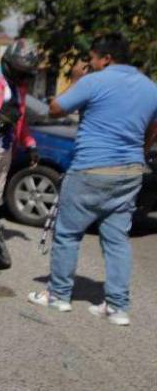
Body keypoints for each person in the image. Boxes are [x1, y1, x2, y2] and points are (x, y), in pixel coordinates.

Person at [28, 34, 157, 325]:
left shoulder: (93, 82)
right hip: (129, 173)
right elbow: (154, 127)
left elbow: (55, 109)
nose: (91, 64)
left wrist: (75, 79)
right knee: (117, 240)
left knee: (68, 234)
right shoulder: (151, 88)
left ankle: (58, 295)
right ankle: (117, 307)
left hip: (90, 168)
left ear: (106, 59)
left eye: (93, 59)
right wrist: (140, 152)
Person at [0, 39, 41, 212]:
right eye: (19, 70)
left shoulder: (18, 88)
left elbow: (20, 120)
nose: (22, 76)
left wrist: (30, 145)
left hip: (6, 147)